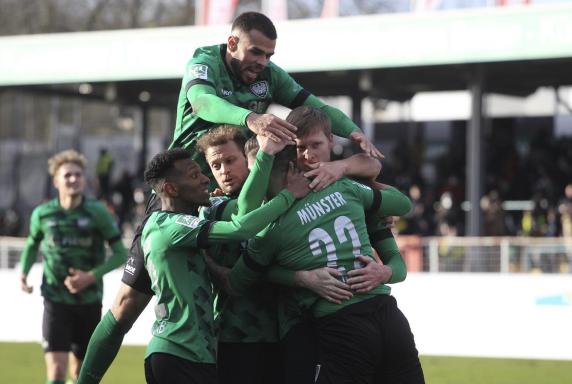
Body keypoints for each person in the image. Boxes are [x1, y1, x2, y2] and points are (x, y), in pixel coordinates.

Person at [78, 148, 310, 383]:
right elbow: (241, 228)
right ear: (171, 189)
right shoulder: (171, 225)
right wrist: (288, 195)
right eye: (194, 175)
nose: (205, 178)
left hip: (194, 357)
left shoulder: (173, 225)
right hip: (179, 354)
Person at [19, 149, 127, 384]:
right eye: (67, 175)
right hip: (55, 301)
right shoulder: (43, 214)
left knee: (79, 374)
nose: (73, 179)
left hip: (88, 302)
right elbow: (31, 244)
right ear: (56, 180)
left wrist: (91, 276)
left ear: (84, 179)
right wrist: (23, 273)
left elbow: (121, 253)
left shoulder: (97, 212)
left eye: (78, 174)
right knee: (56, 373)